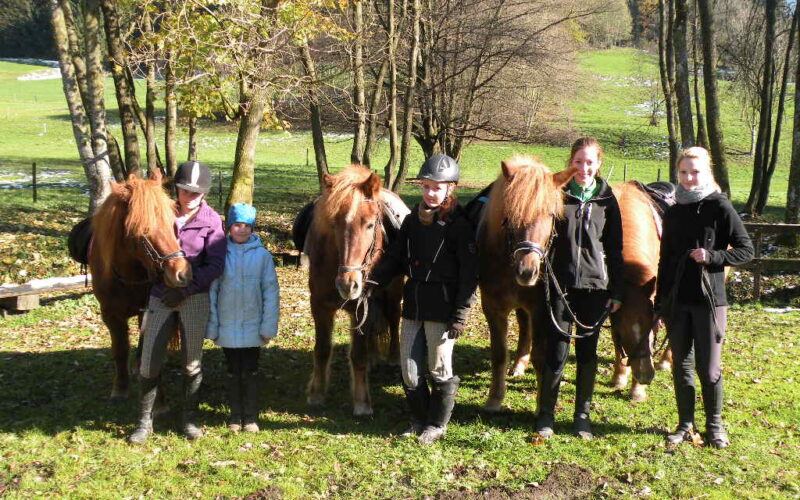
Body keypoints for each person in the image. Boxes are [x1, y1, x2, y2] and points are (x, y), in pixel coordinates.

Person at [370, 154, 478, 445]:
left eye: (437, 187)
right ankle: (417, 419)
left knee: (439, 368)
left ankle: (436, 424)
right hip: (414, 305)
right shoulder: (410, 221)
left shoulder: (460, 225)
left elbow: (469, 275)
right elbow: (395, 258)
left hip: (443, 309)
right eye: (426, 186)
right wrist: (373, 280)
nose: (431, 192)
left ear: (450, 189)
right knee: (409, 370)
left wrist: (461, 314)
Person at [654, 146, 753, 449]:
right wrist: (660, 305)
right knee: (681, 365)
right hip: (676, 301)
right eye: (683, 172)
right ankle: (685, 424)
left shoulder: (720, 207)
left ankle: (715, 425)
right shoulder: (672, 212)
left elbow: (746, 249)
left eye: (695, 172)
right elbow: (665, 259)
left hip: (710, 301)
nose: (688, 178)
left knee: (708, 368)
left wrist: (712, 256)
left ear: (707, 172)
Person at [129, 161, 227, 444]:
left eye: (197, 193)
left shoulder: (212, 221)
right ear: (177, 189)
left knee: (191, 362)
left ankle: (190, 418)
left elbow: (216, 264)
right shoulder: (161, 213)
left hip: (193, 297)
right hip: (160, 296)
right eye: (185, 190)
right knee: (149, 361)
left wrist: (187, 289)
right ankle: (144, 422)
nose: (190, 196)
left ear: (205, 193)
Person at [535, 137, 624, 440]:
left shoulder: (607, 201)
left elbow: (615, 249)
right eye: (578, 161)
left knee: (587, 353)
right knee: (556, 351)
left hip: (595, 288)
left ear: (598, 164)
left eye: (590, 162)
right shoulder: (556, 195)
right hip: (559, 285)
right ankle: (545, 415)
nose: (584, 168)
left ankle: (582, 417)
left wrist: (616, 291)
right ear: (570, 161)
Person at [206, 203, 280, 433]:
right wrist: (213, 326)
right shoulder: (220, 254)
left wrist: (268, 326)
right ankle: (235, 415)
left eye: (247, 226)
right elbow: (212, 292)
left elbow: (271, 292)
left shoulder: (263, 256)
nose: (242, 230)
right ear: (229, 227)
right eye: (237, 225)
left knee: (250, 369)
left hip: (253, 325)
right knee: (232, 369)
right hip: (227, 324)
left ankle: (250, 416)